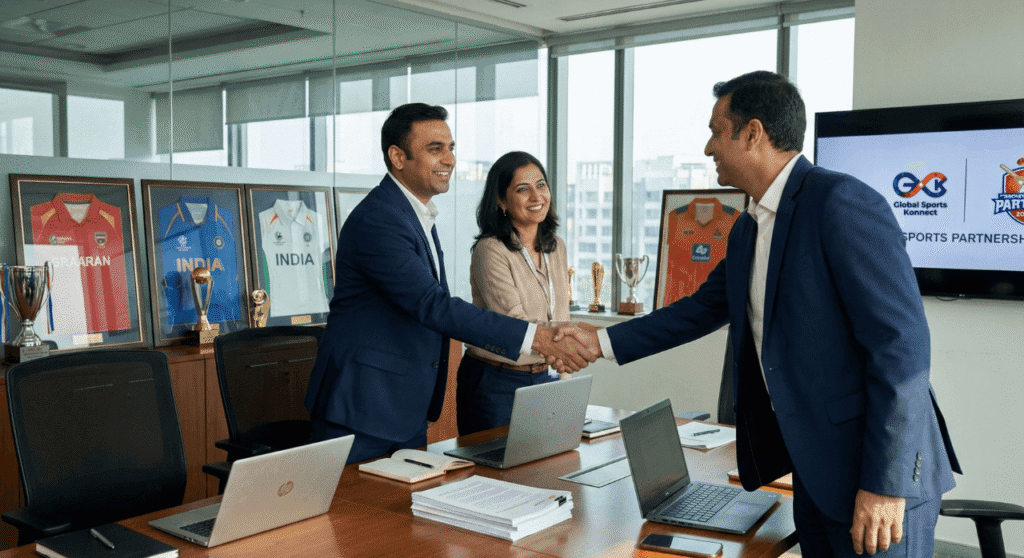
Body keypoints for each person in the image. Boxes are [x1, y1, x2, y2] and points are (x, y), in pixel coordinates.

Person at [556, 71, 960, 557]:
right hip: (815, 472)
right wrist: (596, 343)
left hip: (875, 478)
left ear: (752, 133)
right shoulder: (748, 229)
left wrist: (887, 485)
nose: (708, 148)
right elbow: (698, 310)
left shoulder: (838, 202)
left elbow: (903, 349)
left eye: (714, 130)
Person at [304, 103, 595, 464]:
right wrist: (536, 337)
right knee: (359, 518)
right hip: (363, 406)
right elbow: (433, 305)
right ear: (397, 156)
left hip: (400, 405)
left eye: (451, 148)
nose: (450, 160)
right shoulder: (379, 220)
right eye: (435, 149)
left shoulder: (415, 214)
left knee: (402, 518)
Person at [457, 151, 570, 436]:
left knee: (545, 469)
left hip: (546, 376)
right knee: (495, 473)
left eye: (541, 185)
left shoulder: (555, 246)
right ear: (501, 200)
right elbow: (514, 324)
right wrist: (574, 340)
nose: (537, 196)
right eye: (523, 189)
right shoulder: (491, 250)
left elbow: (561, 313)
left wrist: (565, 382)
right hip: (496, 382)